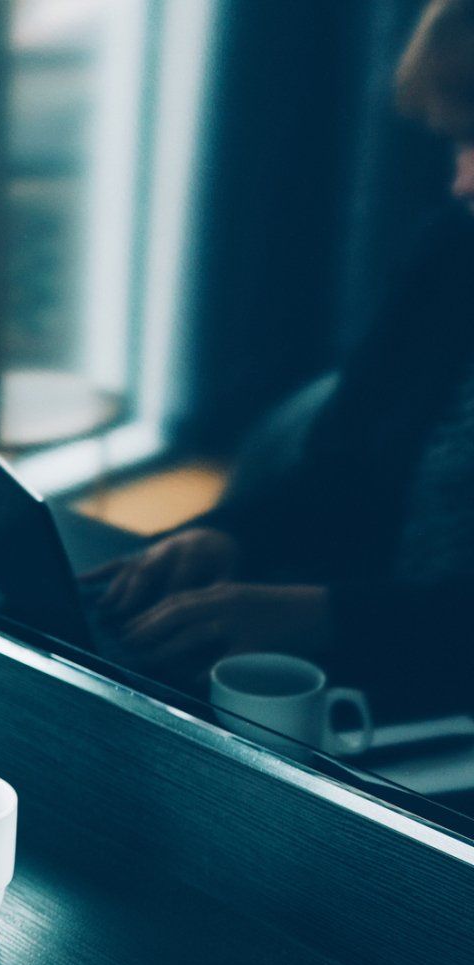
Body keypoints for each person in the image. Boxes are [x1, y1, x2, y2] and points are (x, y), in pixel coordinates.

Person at [98, 0, 474, 713]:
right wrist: (227, 536)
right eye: (456, 145)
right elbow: (333, 470)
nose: (460, 182)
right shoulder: (450, 254)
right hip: (353, 674)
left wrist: (320, 614)